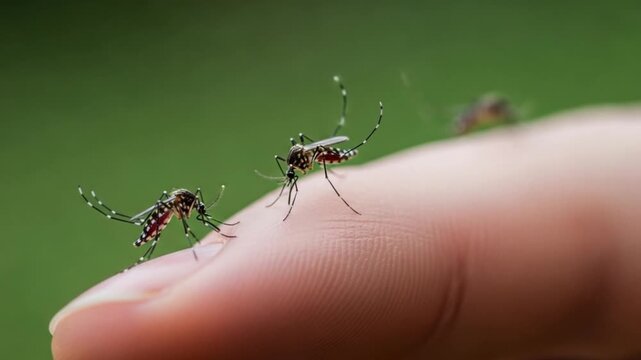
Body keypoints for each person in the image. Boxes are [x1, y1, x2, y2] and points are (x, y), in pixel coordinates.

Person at [50, 106, 641, 359]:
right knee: (155, 223)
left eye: (294, 165)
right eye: (296, 167)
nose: (293, 169)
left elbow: (312, 167)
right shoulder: (186, 203)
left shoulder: (311, 162)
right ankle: (141, 246)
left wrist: (320, 168)